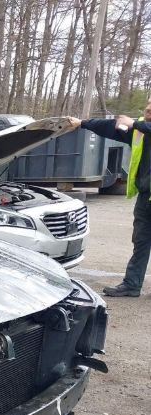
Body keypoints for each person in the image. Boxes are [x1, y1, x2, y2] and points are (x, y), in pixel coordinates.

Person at [69, 100, 151, 297]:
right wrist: (82, 123)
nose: (147, 109)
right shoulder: (139, 129)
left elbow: (136, 125)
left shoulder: (139, 126)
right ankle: (132, 285)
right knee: (141, 242)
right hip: (145, 198)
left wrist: (135, 124)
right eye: (147, 105)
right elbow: (109, 127)